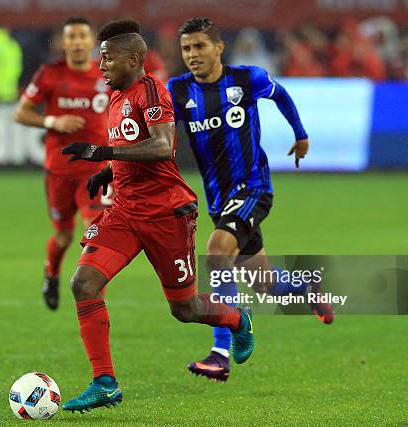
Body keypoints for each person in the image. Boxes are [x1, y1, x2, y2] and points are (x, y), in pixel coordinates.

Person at [59, 19, 254, 413]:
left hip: (167, 214)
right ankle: (105, 382)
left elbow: (163, 146)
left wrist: (104, 154)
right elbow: (130, 144)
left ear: (133, 59)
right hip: (125, 211)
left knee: (184, 310)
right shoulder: (116, 95)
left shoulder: (153, 92)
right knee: (83, 283)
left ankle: (237, 319)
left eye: (108, 59)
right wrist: (108, 171)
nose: (101, 67)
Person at [167, 17, 333, 382]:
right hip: (218, 199)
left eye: (200, 46)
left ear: (219, 47)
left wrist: (300, 134)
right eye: (186, 49)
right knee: (263, 282)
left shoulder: (247, 79)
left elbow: (280, 95)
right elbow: (163, 137)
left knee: (216, 249)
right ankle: (307, 287)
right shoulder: (177, 91)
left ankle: (220, 350)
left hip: (254, 188)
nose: (192, 55)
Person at [13, 17, 111, 309]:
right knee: (63, 235)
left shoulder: (106, 74)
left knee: (95, 229)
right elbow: (21, 113)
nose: (78, 42)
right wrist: (54, 120)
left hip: (95, 171)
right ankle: (51, 273)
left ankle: (94, 298)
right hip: (59, 171)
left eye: (83, 36)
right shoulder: (49, 75)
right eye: (72, 37)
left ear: (92, 41)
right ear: (64, 42)